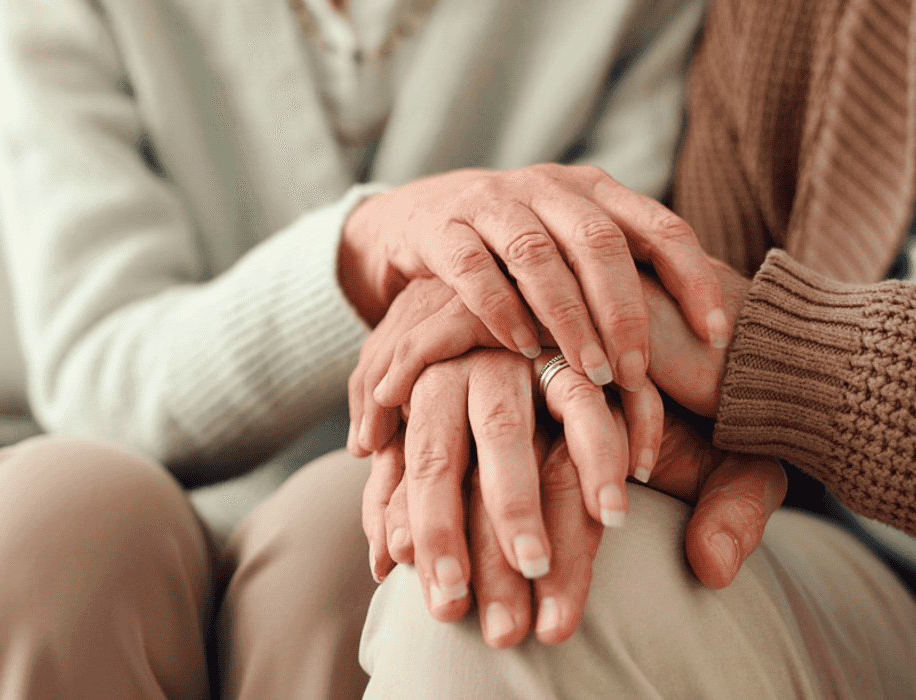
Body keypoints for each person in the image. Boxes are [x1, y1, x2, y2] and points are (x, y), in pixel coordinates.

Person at [351, 0, 916, 695]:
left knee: (525, 582)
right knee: (453, 544)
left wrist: (793, 356)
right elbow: (685, 299)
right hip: (842, 553)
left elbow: (732, 337)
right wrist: (518, 325)